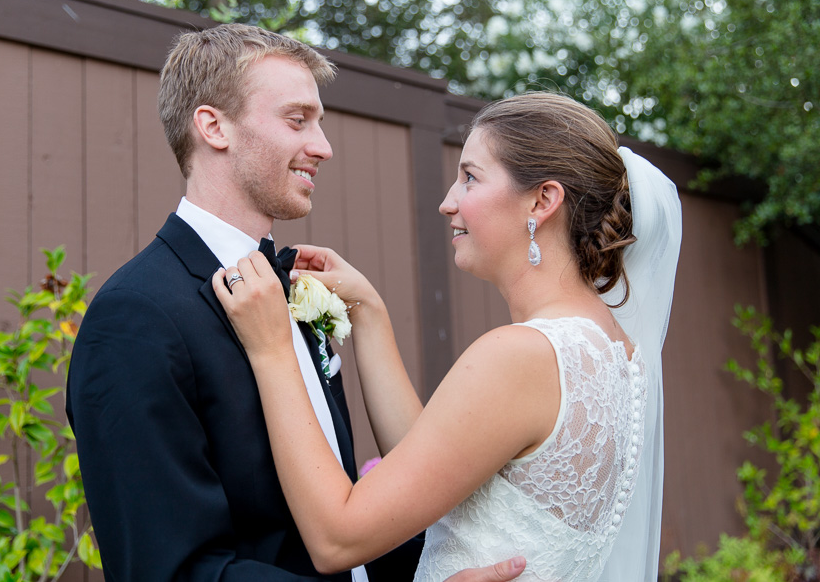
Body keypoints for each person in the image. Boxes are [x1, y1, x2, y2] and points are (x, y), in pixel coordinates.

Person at [66, 24, 527, 582]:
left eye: (321, 123)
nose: (324, 147)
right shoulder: (135, 318)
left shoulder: (298, 291)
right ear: (214, 127)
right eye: (297, 119)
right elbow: (173, 571)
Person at [212, 92, 682, 581]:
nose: (447, 202)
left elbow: (338, 537)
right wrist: (369, 312)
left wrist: (271, 350)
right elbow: (437, 467)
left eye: (470, 178)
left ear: (543, 200)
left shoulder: (524, 356)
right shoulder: (618, 354)